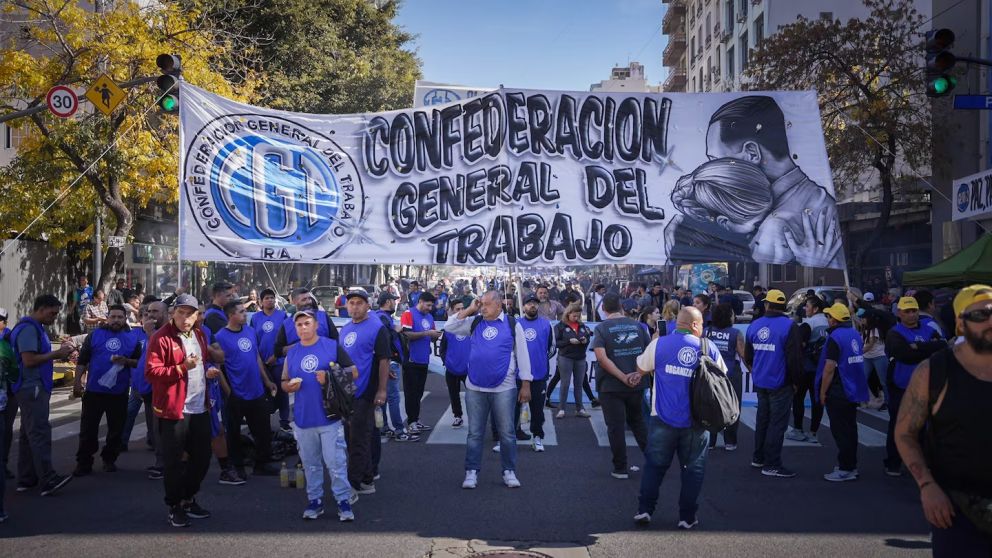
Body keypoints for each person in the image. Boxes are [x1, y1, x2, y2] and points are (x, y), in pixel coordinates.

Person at [895, 285, 992, 556]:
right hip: (957, 512)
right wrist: (927, 486)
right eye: (980, 316)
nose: (990, 321)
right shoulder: (935, 372)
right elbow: (905, 433)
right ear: (960, 323)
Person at [632, 306, 726, 528]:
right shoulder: (707, 346)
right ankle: (687, 516)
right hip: (696, 420)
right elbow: (722, 374)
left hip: (662, 416)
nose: (703, 328)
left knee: (654, 466)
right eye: (701, 324)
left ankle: (645, 510)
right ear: (694, 325)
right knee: (693, 470)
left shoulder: (660, 343)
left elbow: (641, 367)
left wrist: (656, 344)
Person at [444, 291, 532, 490]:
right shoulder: (475, 322)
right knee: (475, 433)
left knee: (507, 433)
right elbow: (449, 326)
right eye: (480, 304)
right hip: (475, 385)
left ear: (499, 305)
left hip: (504, 386)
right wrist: (469, 309)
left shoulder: (512, 324)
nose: (482, 307)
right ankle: (471, 471)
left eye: (486, 304)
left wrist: (526, 383)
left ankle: (509, 471)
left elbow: (523, 355)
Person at [144, 294, 219, 527]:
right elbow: (151, 373)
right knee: (174, 462)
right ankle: (174, 505)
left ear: (198, 316)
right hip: (173, 409)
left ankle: (187, 498)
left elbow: (200, 365)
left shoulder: (199, 334)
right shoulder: (161, 338)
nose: (185, 318)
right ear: (173, 313)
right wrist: (181, 367)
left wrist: (207, 372)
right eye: (181, 313)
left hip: (199, 406)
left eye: (190, 314)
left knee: (203, 457)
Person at [282, 310, 358, 521]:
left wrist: (330, 377)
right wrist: (287, 386)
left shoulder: (331, 346)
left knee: (335, 462)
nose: (303, 328)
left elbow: (354, 372)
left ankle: (343, 501)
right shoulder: (293, 352)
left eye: (307, 323)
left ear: (316, 325)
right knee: (310, 464)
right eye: (299, 325)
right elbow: (284, 380)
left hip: (329, 416)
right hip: (303, 418)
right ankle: (315, 501)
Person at [10, 294, 74, 496]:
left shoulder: (33, 327)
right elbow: (28, 360)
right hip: (32, 386)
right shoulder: (29, 328)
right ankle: (48, 478)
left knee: (29, 435)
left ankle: (27, 478)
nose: (54, 317)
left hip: (32, 385)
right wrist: (56, 354)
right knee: (39, 433)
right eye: (52, 313)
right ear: (41, 308)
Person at [72, 304, 142, 476]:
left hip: (118, 393)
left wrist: (126, 361)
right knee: (88, 429)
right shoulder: (94, 335)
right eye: (113, 317)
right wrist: (77, 383)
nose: (116, 320)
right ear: (107, 317)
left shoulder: (132, 339)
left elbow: (139, 362)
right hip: (94, 391)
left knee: (116, 430)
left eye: (120, 317)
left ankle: (109, 459)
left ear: (125, 319)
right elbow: (82, 360)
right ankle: (84, 462)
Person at [213, 301, 279, 478]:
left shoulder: (249, 331)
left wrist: (266, 381)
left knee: (263, 430)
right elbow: (218, 368)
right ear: (231, 316)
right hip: (236, 393)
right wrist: (229, 393)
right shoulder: (220, 336)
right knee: (233, 432)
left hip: (256, 390)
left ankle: (262, 464)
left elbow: (256, 357)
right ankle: (237, 466)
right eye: (241, 312)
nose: (245, 314)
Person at [883, 296, 946, 477]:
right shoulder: (894, 333)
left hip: (925, 385)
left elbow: (942, 347)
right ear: (899, 313)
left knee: (923, 427)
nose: (912, 315)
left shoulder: (929, 329)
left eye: (914, 311)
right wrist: (927, 348)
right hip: (900, 385)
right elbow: (904, 354)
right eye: (907, 311)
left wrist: (917, 346)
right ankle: (893, 462)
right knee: (898, 424)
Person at [745, 289, 803, 478]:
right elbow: (794, 359)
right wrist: (796, 382)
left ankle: (759, 457)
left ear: (767, 305)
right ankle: (772, 464)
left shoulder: (754, 325)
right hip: (781, 383)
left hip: (761, 381)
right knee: (777, 424)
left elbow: (748, 356)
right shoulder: (790, 326)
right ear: (784, 306)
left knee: (763, 420)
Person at [592, 294, 651, 480]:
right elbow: (648, 354)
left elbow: (601, 358)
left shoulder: (601, 328)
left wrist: (622, 377)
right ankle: (654, 461)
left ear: (603, 309)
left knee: (616, 426)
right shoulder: (638, 326)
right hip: (636, 383)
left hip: (611, 385)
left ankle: (620, 468)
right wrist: (636, 375)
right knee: (638, 422)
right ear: (621, 307)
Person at [339, 290, 390, 495]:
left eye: (359, 303)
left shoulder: (377, 327)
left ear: (368, 305)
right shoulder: (346, 328)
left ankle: (356, 483)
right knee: (353, 437)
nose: (354, 307)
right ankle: (367, 477)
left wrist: (382, 390)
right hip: (347, 391)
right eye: (351, 303)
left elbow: (384, 360)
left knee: (359, 438)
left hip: (366, 390)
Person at [814, 303, 870, 482]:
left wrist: (822, 392)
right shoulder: (854, 334)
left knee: (841, 431)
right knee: (850, 429)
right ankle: (850, 465)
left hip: (839, 389)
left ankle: (846, 468)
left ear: (835, 320)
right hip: (853, 388)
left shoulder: (835, 337)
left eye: (829, 316)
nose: (827, 319)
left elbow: (829, 368)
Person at [121, 301, 168, 478]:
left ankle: (165, 464)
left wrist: (150, 332)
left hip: (161, 392)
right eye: (148, 312)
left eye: (155, 311)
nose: (151, 315)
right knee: (154, 429)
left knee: (162, 429)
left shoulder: (163, 334)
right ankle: (160, 461)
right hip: (147, 391)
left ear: (166, 313)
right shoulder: (148, 334)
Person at [373, 292, 418, 442]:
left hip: (388, 361)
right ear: (387, 302)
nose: (395, 303)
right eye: (393, 300)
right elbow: (383, 339)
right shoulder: (382, 317)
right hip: (390, 361)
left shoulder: (381, 317)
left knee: (385, 398)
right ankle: (399, 430)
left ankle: (384, 428)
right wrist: (395, 330)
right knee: (392, 397)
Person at [704, 303, 745, 450]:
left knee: (711, 406)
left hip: (710, 375)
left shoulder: (706, 332)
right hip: (731, 374)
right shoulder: (736, 333)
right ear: (729, 317)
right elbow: (743, 355)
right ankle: (730, 441)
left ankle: (711, 441)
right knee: (732, 406)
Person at [517, 295, 554, 452]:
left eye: (535, 303)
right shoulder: (516, 324)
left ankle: (537, 437)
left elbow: (551, 348)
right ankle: (508, 437)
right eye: (529, 303)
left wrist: (539, 358)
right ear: (524, 306)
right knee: (512, 408)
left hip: (539, 374)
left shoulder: (546, 324)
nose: (532, 305)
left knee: (537, 409)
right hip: (517, 375)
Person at [788, 296, 828, 444]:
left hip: (806, 368)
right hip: (823, 369)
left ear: (815, 309)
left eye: (807, 306)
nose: (805, 309)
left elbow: (798, 346)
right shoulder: (829, 322)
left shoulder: (808, 324)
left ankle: (798, 430)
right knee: (817, 400)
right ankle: (813, 432)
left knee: (798, 398)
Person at [250, 288, 289, 432]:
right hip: (262, 363)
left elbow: (286, 339)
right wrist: (259, 359)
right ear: (261, 301)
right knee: (264, 393)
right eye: (266, 298)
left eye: (272, 297)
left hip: (279, 362)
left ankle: (284, 421)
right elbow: (253, 340)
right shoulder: (255, 318)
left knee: (282, 391)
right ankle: (264, 421)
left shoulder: (282, 316)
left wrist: (276, 355)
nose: (270, 300)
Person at [400, 291, 440, 433]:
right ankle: (411, 422)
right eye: (428, 305)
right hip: (411, 359)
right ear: (421, 301)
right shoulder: (408, 314)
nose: (430, 308)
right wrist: (427, 333)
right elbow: (406, 334)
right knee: (411, 393)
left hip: (424, 359)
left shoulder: (429, 316)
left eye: (431, 306)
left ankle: (416, 419)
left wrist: (435, 335)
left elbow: (432, 335)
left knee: (418, 393)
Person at [553, 303, 593, 419]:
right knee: (565, 383)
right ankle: (561, 409)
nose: (577, 318)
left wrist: (585, 340)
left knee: (579, 384)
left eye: (578, 316)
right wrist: (569, 341)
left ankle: (579, 408)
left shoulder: (581, 325)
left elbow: (588, 336)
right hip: (565, 357)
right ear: (568, 314)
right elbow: (556, 343)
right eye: (574, 316)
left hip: (580, 357)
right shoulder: (560, 326)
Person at [440, 298, 470, 429]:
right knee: (454, 394)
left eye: (463, 308)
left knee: (473, 395)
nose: (461, 311)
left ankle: (475, 417)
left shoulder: (470, 325)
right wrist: (447, 362)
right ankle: (457, 416)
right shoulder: (448, 328)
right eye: (458, 309)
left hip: (469, 369)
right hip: (451, 368)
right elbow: (442, 349)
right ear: (452, 311)